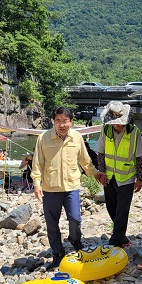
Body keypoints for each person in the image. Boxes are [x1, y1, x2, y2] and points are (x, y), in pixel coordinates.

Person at [31, 106, 104, 269]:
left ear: (71, 122)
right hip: (50, 188)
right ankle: (58, 253)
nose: (61, 125)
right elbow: (37, 163)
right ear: (53, 121)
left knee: (76, 219)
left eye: (65, 121)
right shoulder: (43, 138)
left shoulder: (77, 137)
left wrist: (96, 173)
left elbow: (85, 161)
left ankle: (75, 239)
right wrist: (37, 184)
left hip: (71, 186)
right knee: (52, 224)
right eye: (58, 121)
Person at [96, 101, 142, 248]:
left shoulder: (133, 132)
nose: (118, 125)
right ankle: (122, 237)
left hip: (127, 178)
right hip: (109, 177)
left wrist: (139, 178)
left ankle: (115, 241)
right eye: (115, 122)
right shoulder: (106, 130)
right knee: (111, 208)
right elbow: (100, 153)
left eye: (120, 122)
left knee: (122, 211)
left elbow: (139, 157)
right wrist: (102, 172)